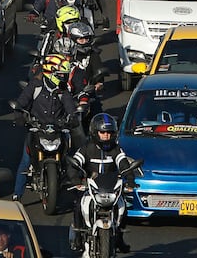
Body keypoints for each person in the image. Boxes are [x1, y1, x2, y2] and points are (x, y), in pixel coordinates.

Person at [12, 55, 79, 201]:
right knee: (25, 160)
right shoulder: (35, 85)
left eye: (64, 75)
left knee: (72, 157)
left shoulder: (63, 90)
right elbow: (21, 103)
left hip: (58, 129)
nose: (63, 77)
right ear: (50, 72)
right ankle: (17, 194)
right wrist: (20, 116)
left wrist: (73, 117)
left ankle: (78, 190)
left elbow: (70, 107)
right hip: (37, 128)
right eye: (60, 75)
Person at [68, 113, 137, 253]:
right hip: (90, 188)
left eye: (109, 132)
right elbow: (74, 164)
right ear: (95, 132)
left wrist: (130, 180)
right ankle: (78, 236)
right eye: (103, 132)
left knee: (123, 206)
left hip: (110, 189)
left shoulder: (116, 149)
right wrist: (75, 180)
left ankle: (119, 238)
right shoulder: (86, 149)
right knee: (78, 205)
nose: (106, 135)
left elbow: (124, 165)